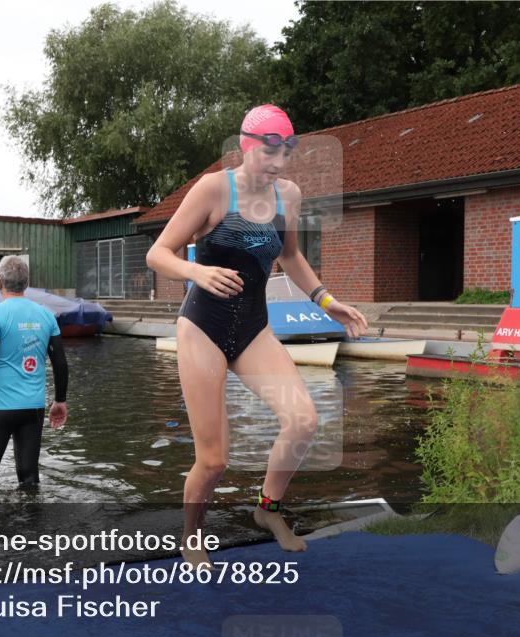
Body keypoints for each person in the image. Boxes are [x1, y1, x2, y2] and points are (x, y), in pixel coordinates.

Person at [146, 104, 368, 568]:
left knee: (303, 420)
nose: (279, 164)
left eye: (286, 153)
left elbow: (291, 258)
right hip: (203, 326)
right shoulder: (212, 189)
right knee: (213, 462)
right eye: (271, 153)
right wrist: (195, 272)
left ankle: (267, 511)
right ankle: (192, 534)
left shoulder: (288, 195)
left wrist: (328, 301)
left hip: (252, 328)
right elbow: (158, 253)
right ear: (247, 146)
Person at [0, 256, 69, 497]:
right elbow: (60, 363)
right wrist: (60, 400)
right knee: (29, 480)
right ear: (26, 282)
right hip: (33, 408)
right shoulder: (46, 315)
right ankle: (32, 530)